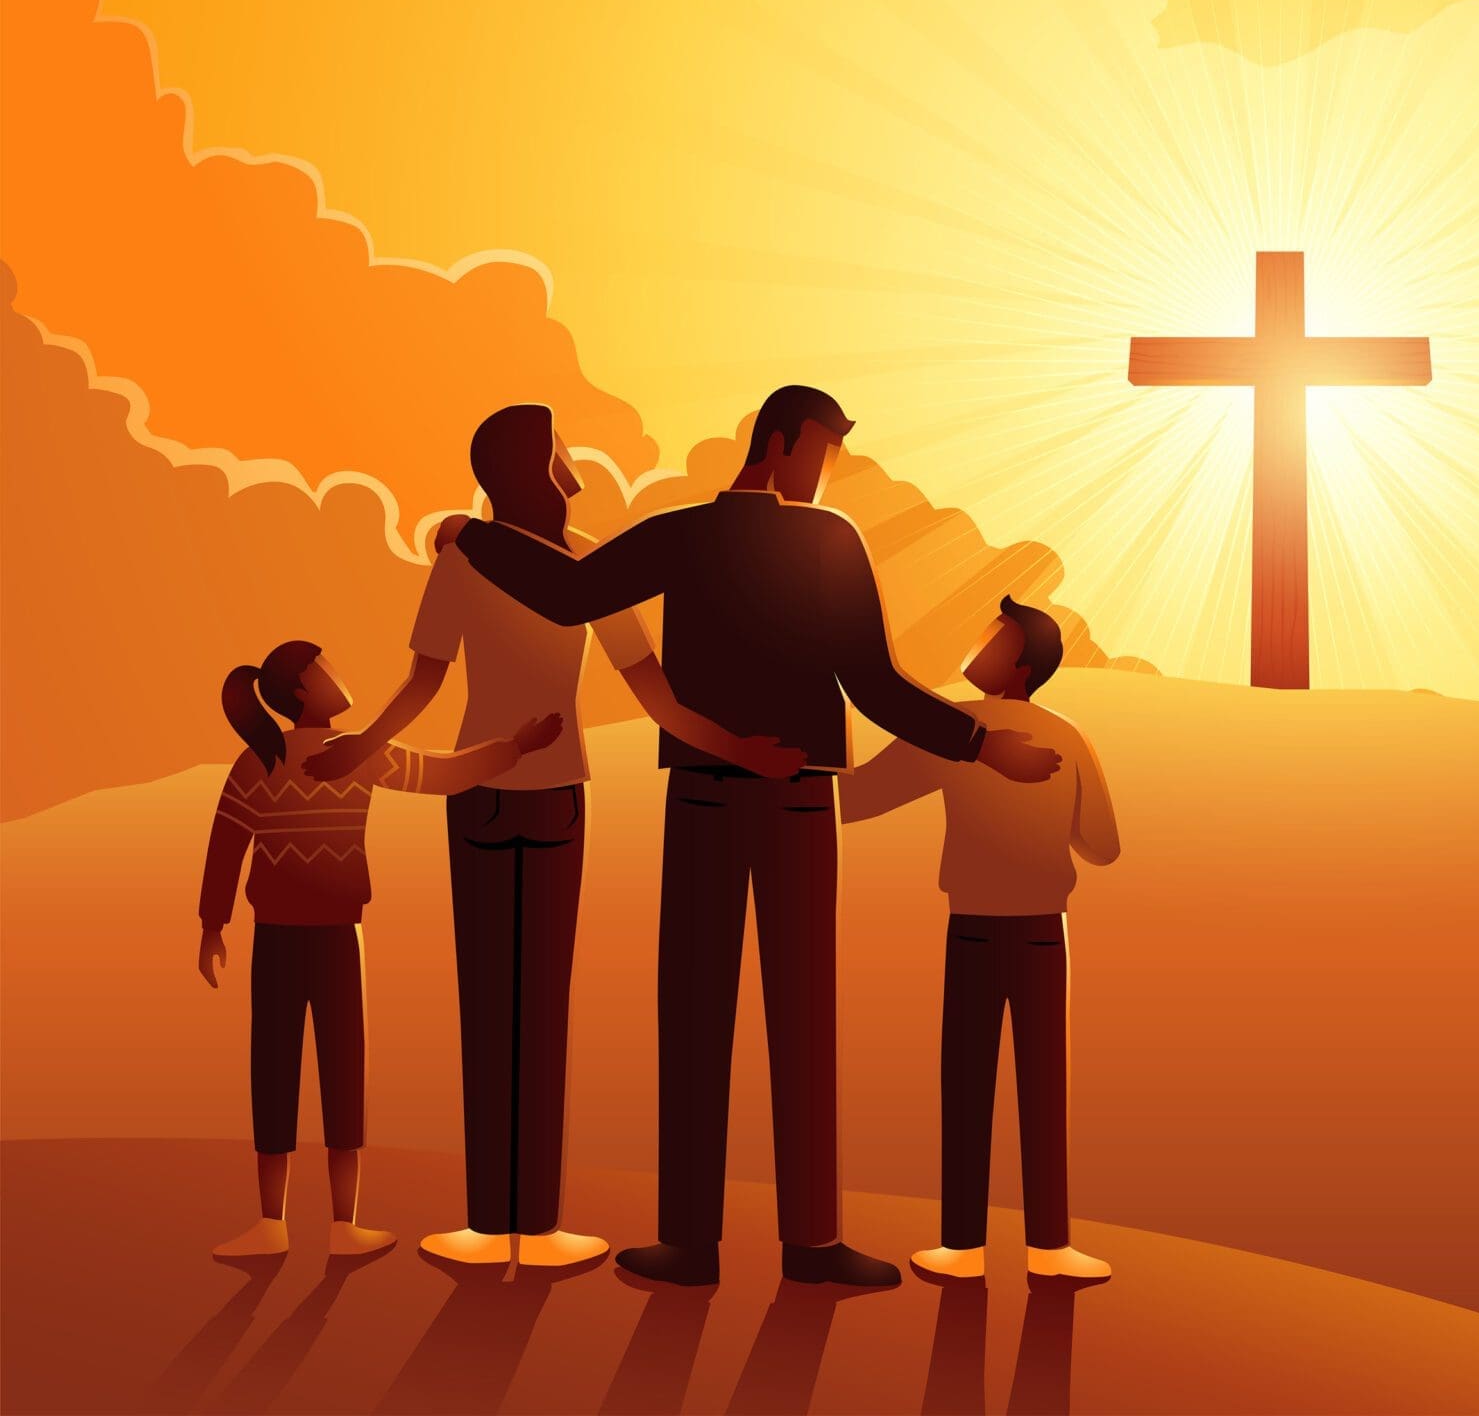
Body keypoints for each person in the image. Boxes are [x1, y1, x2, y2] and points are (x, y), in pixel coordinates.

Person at [439, 384, 1062, 1288]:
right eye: (819, 451)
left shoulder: (726, 535)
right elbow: (871, 684)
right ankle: (753, 1240)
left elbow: (869, 682)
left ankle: (744, 1240)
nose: (824, 472)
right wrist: (980, 745)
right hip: (759, 797)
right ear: (776, 443)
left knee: (763, 1013)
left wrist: (472, 535)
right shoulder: (790, 537)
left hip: (731, 797)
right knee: (733, 1012)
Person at [309, 406, 800, 1270]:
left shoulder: (500, 558)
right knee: (532, 1007)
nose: (573, 457)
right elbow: (649, 687)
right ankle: (523, 1222)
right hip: (540, 793)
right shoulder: (573, 560)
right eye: (560, 444)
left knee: (500, 1005)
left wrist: (364, 744)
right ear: (539, 463)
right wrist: (734, 748)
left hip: (498, 795)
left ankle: (506, 1220)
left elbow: (425, 683)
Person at [197, 639, 560, 1259]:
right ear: (305, 690)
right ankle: (334, 1225)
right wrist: (516, 748)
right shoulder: (340, 754)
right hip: (322, 935)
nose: (339, 673)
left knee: (282, 1069)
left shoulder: (295, 757)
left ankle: (288, 1224)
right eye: (325, 666)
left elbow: (225, 845)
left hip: (298, 937)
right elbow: (444, 776)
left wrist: (213, 925)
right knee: (337, 1071)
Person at [839, 597, 1119, 1284]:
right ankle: (1049, 1248)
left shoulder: (956, 730)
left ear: (1018, 663)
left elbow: (855, 798)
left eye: (993, 635)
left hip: (971, 931)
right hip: (1044, 936)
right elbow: (1104, 846)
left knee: (966, 1087)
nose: (978, 643)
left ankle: (961, 1246)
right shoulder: (1069, 735)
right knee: (1043, 1088)